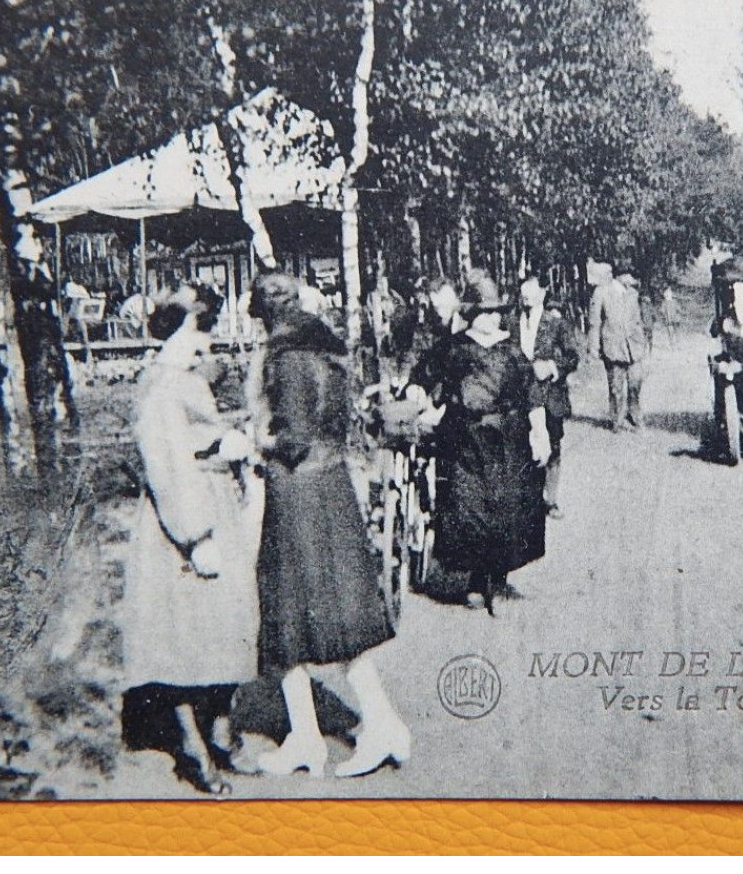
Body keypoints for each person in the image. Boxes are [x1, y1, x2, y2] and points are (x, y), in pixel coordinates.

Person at [236, 272, 409, 779]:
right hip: (332, 483)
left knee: (289, 613)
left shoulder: (286, 357)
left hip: (298, 492)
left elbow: (292, 433)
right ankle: (366, 727)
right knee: (327, 617)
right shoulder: (328, 347)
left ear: (265, 314)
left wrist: (253, 443)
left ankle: (318, 737)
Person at [120, 285, 258, 795]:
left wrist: (227, 441)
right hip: (182, 517)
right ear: (181, 330)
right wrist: (194, 536)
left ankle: (221, 731)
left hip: (213, 500)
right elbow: (167, 462)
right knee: (183, 634)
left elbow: (200, 434)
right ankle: (192, 750)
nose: (209, 343)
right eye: (203, 330)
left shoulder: (186, 377)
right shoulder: (160, 385)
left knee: (228, 622)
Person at [414, 273, 551, 613]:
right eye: (485, 312)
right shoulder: (453, 348)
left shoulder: (511, 351)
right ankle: (476, 580)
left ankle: (498, 577)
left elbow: (532, 395)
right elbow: (425, 379)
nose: (493, 318)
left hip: (508, 438)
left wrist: (541, 432)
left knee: (507, 507)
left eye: (497, 311)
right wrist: (421, 400)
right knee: (469, 506)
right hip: (464, 440)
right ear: (472, 313)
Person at [516, 271, 580, 518]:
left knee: (552, 447)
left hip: (550, 395)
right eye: (523, 290)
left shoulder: (557, 323)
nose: (526, 295)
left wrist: (553, 366)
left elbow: (572, 357)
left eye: (531, 290)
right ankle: (527, 499)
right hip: (520, 395)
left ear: (543, 292)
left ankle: (550, 499)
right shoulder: (511, 320)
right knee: (522, 446)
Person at [591, 260, 650, 431]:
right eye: (630, 276)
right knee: (616, 386)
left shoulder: (633, 293)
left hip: (634, 347)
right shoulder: (601, 292)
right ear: (621, 276)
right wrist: (594, 345)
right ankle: (616, 418)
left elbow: (639, 318)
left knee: (636, 381)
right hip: (613, 346)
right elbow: (595, 321)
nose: (633, 279)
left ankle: (635, 414)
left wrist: (642, 338)